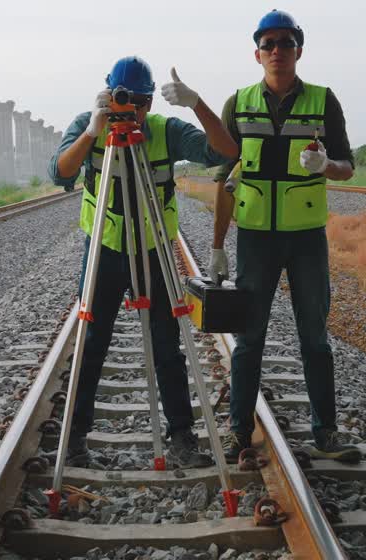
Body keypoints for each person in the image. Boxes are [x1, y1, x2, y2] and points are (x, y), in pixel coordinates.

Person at [50, 56, 238, 468]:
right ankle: (76, 436)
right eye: (123, 99)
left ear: (152, 103)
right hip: (105, 249)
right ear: (107, 96)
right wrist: (92, 130)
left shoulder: (165, 132)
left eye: (140, 102)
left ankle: (182, 435)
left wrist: (197, 104)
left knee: (167, 345)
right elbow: (59, 172)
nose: (131, 110)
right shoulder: (89, 124)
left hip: (153, 250)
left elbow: (226, 150)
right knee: (91, 342)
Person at [211, 10, 362, 462]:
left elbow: (348, 167)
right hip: (255, 239)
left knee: (314, 337)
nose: (278, 51)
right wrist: (218, 246)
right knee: (249, 338)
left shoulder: (323, 100)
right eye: (269, 43)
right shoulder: (237, 103)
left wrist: (326, 167)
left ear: (299, 49)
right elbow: (224, 178)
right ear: (257, 52)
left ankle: (326, 433)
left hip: (306, 239)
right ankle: (239, 430)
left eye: (286, 42)